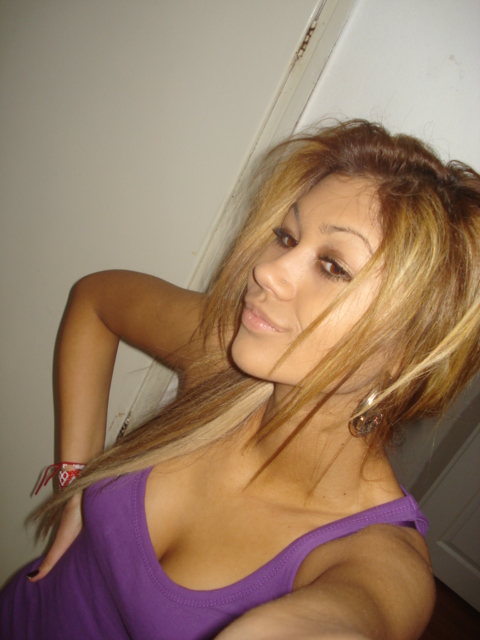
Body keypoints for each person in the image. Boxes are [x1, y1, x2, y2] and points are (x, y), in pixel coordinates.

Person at [2, 120, 480, 640]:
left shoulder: (376, 557)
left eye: (332, 266)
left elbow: (348, 618)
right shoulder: (228, 362)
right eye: (286, 237)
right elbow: (95, 299)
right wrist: (76, 483)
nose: (266, 271)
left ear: (411, 350)